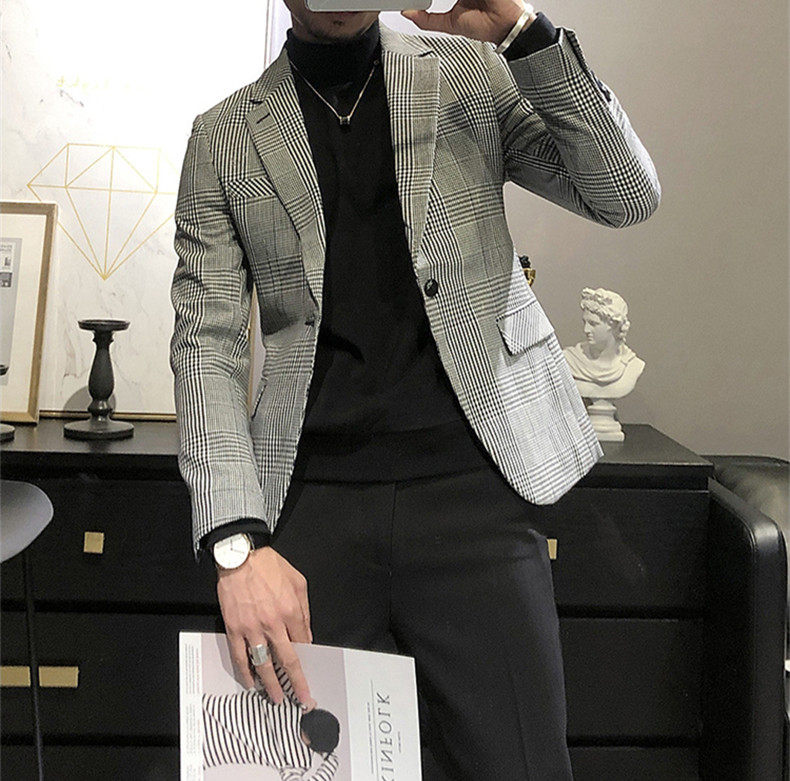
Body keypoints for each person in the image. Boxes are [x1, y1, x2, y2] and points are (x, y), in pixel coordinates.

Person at [169, 0, 660, 776]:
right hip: (311, 505)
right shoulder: (223, 136)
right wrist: (238, 545)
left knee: (521, 764)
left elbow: (625, 194)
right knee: (308, 762)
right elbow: (207, 344)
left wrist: (521, 32)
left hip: (476, 491)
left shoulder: (471, 74)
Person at [202, 665, 340, 778]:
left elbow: (272, 664)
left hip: (204, 707)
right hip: (206, 751)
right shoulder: (298, 760)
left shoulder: (292, 700)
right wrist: (331, 761)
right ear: (312, 744)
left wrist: (304, 698)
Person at [562, 287, 646, 399]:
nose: (586, 330)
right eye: (585, 322)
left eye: (593, 324)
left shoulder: (633, 365)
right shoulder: (570, 360)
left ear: (614, 325)